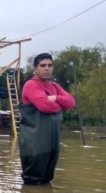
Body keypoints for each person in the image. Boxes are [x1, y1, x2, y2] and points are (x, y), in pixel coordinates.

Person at [19, 53, 75, 184]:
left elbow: (71, 103)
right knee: (32, 180)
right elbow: (45, 106)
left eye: (50, 65)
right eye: (42, 65)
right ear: (35, 68)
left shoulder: (55, 87)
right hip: (35, 144)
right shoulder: (30, 85)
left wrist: (56, 98)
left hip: (52, 143)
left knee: (47, 179)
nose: (47, 68)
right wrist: (61, 103)